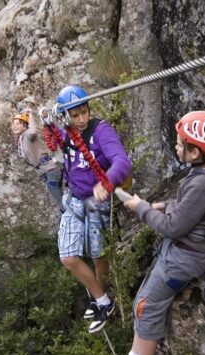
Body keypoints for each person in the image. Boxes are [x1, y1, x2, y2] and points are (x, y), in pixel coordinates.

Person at [92, 111, 205, 355]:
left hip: (184, 258)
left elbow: (172, 227)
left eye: (181, 144)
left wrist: (142, 209)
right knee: (143, 301)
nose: (177, 146)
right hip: (181, 253)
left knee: (148, 306)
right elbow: (191, 208)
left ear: (195, 151)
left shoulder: (201, 183)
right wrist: (166, 203)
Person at [55, 85, 132, 334]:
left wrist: (106, 181)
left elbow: (121, 161)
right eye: (75, 115)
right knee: (68, 257)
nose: (82, 119)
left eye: (84, 112)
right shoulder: (65, 132)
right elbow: (48, 131)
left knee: (99, 255)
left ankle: (101, 300)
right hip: (75, 199)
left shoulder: (100, 130)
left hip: (97, 201)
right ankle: (102, 300)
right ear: (67, 116)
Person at [13, 110, 65, 212]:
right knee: (58, 200)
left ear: (25, 126)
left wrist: (30, 116)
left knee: (60, 202)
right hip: (46, 172)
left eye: (18, 124)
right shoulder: (22, 138)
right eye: (13, 124)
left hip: (50, 171)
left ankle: (71, 221)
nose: (15, 126)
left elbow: (33, 131)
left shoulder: (28, 134)